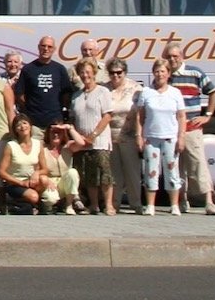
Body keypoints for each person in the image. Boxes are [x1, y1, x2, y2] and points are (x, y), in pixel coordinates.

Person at [163, 43, 215, 215]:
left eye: (175, 56)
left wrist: (208, 114)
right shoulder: (166, 76)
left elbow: (213, 91)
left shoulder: (195, 73)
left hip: (191, 128)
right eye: (169, 57)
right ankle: (182, 200)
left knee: (198, 164)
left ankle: (209, 201)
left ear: (182, 56)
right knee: (176, 167)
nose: (172, 59)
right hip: (171, 129)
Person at [136, 58, 187, 216]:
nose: (160, 74)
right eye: (157, 71)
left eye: (163, 71)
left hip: (170, 137)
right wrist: (139, 135)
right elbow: (140, 116)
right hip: (151, 137)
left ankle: (174, 205)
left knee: (172, 171)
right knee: (151, 171)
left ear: (168, 73)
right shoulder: (146, 93)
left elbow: (181, 116)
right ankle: (150, 205)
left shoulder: (175, 93)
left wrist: (181, 137)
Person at [70, 56, 115, 215]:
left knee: (104, 174)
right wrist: (79, 138)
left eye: (88, 72)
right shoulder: (76, 96)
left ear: (94, 73)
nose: (85, 75)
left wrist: (94, 135)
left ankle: (109, 205)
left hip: (100, 141)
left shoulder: (103, 91)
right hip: (82, 142)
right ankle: (94, 205)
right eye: (82, 72)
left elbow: (107, 116)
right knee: (88, 176)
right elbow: (74, 119)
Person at [105, 57, 144, 214]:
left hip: (129, 135)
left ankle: (136, 203)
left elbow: (142, 114)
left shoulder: (136, 88)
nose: (115, 76)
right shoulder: (104, 89)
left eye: (119, 72)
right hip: (110, 136)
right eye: (112, 73)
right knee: (114, 174)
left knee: (132, 171)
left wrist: (140, 135)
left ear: (125, 72)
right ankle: (115, 204)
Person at [15, 35, 73, 135]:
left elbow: (66, 93)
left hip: (55, 123)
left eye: (49, 47)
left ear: (54, 49)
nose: (46, 49)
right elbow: (20, 94)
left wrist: (61, 110)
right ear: (38, 47)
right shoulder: (28, 69)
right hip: (34, 124)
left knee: (54, 151)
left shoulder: (60, 69)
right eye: (43, 46)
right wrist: (29, 109)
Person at [0, 114, 50, 214]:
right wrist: (20, 183)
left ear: (30, 126)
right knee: (34, 197)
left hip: (32, 181)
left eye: (25, 123)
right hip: (15, 183)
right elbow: (1, 172)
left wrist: (37, 173)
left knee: (44, 179)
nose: (22, 127)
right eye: (18, 125)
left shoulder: (38, 144)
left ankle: (25, 206)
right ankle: (30, 205)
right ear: (15, 130)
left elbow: (45, 169)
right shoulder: (11, 145)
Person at [41, 123, 86, 215]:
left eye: (59, 132)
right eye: (53, 132)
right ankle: (52, 205)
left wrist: (69, 128)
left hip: (65, 181)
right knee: (50, 199)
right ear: (48, 134)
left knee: (72, 172)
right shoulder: (42, 148)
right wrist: (47, 181)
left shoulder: (68, 147)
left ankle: (69, 205)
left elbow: (81, 143)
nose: (56, 135)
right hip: (50, 181)